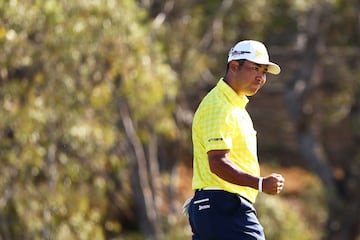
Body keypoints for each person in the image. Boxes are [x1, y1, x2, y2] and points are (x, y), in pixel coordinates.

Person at [185, 40, 285, 240]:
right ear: (234, 66)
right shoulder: (219, 106)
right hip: (223, 205)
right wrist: (259, 183)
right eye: (254, 68)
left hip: (217, 207)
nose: (260, 76)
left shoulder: (234, 106)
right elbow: (217, 162)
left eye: (264, 71)